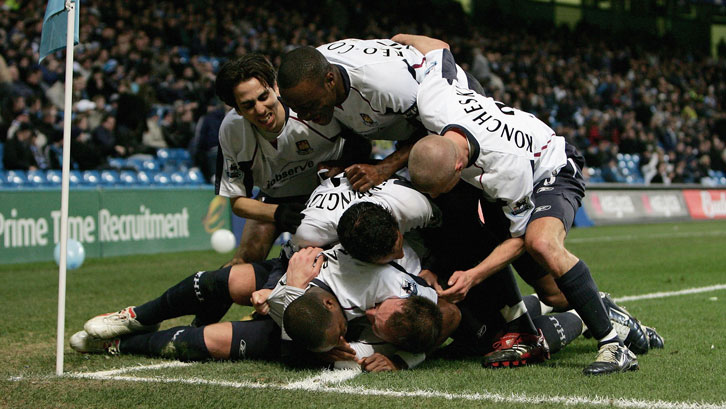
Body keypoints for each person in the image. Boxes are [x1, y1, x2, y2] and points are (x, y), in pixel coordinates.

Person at [399, 34, 639, 375]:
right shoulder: (433, 102)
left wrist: (473, 276)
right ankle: (603, 307)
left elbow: (519, 240)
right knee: (554, 295)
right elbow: (438, 47)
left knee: (540, 242)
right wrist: (392, 40)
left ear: (458, 167)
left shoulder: (504, 168)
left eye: (440, 188)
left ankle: (614, 345)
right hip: (509, 180)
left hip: (550, 168)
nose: (437, 195)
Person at [213, 54, 369, 265]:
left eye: (263, 97)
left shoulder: (307, 103)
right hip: (275, 198)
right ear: (237, 110)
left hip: (329, 190)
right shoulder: (231, 131)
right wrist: (277, 212)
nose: (260, 109)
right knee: (243, 264)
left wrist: (340, 166)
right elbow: (238, 202)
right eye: (248, 105)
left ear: (275, 88)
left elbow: (362, 143)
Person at [277, 38, 483, 193]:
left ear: (330, 80)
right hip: (411, 120)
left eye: (308, 106)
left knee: (447, 191)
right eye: (297, 109)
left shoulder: (384, 85)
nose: (304, 116)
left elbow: (435, 133)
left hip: (458, 107)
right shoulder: (313, 72)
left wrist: (383, 169)